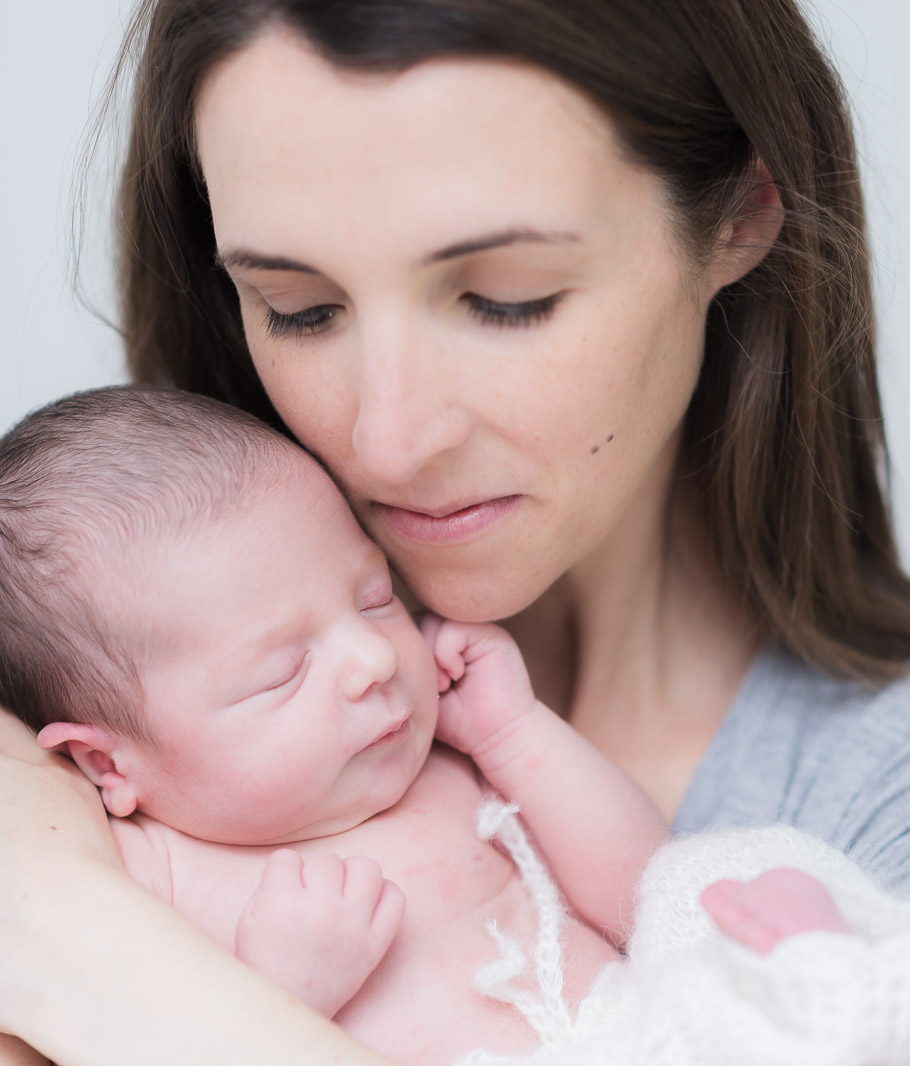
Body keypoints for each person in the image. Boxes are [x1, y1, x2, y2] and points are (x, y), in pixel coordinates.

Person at [2, 0, 910, 1062]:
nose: (382, 440)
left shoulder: (873, 820)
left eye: (504, 299)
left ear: (742, 217)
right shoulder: (100, 660)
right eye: (299, 307)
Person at [0, 386, 875, 1066]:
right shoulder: (148, 874)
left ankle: (815, 978)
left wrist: (516, 737)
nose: (373, 659)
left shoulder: (449, 767)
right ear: (107, 765)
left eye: (375, 597)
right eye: (282, 670)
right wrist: (275, 990)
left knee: (733, 893)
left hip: (640, 1036)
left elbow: (643, 894)